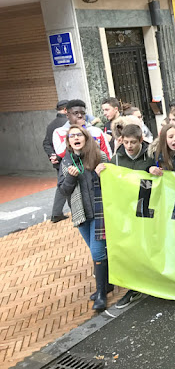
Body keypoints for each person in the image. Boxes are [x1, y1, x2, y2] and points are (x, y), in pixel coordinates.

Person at [98, 123, 154, 308]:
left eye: (133, 142)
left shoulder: (152, 156)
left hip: (148, 211)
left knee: (150, 245)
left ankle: (153, 279)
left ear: (140, 140)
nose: (129, 146)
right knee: (131, 248)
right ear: (121, 140)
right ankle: (134, 287)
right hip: (126, 213)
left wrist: (156, 170)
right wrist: (102, 172)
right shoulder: (116, 160)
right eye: (126, 142)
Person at [58, 126, 110, 311]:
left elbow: (114, 181)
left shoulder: (99, 156)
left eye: (79, 134)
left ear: (85, 137)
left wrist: (102, 174)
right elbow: (63, 190)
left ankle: (101, 295)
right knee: (98, 251)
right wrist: (71, 178)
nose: (76, 138)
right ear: (68, 141)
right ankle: (108, 283)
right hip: (81, 214)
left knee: (97, 253)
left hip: (99, 212)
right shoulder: (66, 162)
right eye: (72, 136)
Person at [43, 100, 70, 223]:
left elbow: (46, 143)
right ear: (65, 110)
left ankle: (57, 213)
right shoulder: (67, 124)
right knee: (66, 185)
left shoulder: (51, 125)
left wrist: (53, 156)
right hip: (68, 160)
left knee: (63, 185)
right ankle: (58, 213)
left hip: (58, 161)